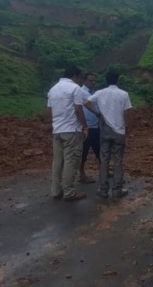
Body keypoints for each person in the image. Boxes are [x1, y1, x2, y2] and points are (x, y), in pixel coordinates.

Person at [84, 70, 132, 199]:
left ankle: (103, 189)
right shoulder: (124, 94)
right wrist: (126, 127)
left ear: (106, 80)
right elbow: (127, 113)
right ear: (118, 80)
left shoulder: (100, 93)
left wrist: (97, 113)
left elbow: (86, 103)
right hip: (119, 131)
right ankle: (117, 190)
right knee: (118, 161)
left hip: (104, 131)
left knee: (104, 160)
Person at [46, 65, 88, 201]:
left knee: (57, 161)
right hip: (72, 131)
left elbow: (49, 111)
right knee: (71, 161)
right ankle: (69, 192)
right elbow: (78, 109)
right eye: (79, 77)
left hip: (57, 130)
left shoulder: (52, 90)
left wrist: (55, 125)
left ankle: (55, 190)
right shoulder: (75, 88)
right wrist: (85, 126)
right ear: (75, 76)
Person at [79, 72, 100, 184]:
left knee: (99, 149)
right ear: (84, 80)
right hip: (86, 126)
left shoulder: (94, 92)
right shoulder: (81, 92)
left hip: (96, 125)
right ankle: (82, 174)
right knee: (84, 151)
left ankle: (103, 171)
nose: (92, 82)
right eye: (90, 80)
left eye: (94, 80)